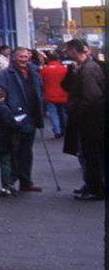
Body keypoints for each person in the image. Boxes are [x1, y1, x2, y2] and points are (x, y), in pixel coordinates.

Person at [0, 47, 43, 192]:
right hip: (13, 118)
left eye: (26, 57)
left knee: (27, 151)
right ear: (14, 58)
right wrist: (2, 115)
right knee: (14, 151)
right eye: (21, 57)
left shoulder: (33, 73)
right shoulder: (5, 75)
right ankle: (10, 182)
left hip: (31, 117)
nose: (24, 59)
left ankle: (26, 181)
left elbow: (39, 90)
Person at [63, 39, 104, 201]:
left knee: (91, 155)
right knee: (90, 155)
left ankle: (95, 189)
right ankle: (93, 186)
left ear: (74, 50)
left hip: (90, 121)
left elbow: (92, 96)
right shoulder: (87, 67)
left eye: (68, 50)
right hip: (92, 119)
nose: (66, 53)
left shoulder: (87, 69)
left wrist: (76, 111)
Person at [38, 50, 70, 138]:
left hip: (49, 94)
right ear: (58, 59)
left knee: (53, 113)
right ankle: (66, 129)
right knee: (63, 112)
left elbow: (40, 82)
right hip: (63, 94)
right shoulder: (64, 68)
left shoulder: (44, 69)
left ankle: (57, 131)